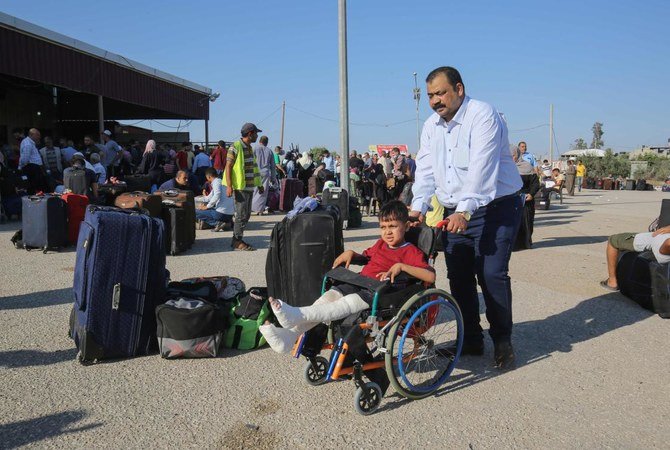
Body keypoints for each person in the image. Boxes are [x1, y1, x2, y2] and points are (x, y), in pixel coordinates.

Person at [410, 66, 522, 369]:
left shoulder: (482, 115)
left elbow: (481, 168)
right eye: (431, 95)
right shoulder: (432, 126)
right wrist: (417, 206)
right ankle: (471, 339)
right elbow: (426, 168)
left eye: (441, 93)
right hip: (455, 212)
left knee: (491, 274)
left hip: (495, 208)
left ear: (459, 89)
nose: (435, 100)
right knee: (458, 278)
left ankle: (502, 340)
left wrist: (464, 209)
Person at [259, 201, 436, 353]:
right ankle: (289, 336)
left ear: (405, 226)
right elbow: (366, 257)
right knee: (330, 295)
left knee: (345, 303)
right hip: (361, 282)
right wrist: (352, 253)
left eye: (393, 226)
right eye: (383, 227)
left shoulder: (410, 251)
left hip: (381, 293)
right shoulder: (381, 244)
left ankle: (298, 314)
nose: (387, 232)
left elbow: (430, 275)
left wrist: (402, 266)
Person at [223, 123, 264, 251]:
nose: (257, 136)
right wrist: (229, 186)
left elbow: (254, 168)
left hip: (249, 187)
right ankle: (237, 241)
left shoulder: (249, 148)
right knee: (241, 215)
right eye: (256, 133)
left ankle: (237, 239)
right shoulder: (235, 146)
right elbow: (228, 166)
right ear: (250, 133)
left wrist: (259, 184)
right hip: (240, 187)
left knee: (246, 215)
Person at [601, 226, 670, 291]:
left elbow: (668, 243)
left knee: (613, 240)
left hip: (661, 243)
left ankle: (612, 282)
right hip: (662, 242)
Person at [512, 147, 540, 250]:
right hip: (511, 200)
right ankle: (513, 244)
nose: (512, 158)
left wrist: (531, 194)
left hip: (526, 200)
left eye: (513, 156)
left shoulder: (527, 167)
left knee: (526, 222)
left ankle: (526, 243)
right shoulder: (506, 167)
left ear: (518, 155)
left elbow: (535, 184)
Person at [196, 167, 234, 232]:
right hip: (230, 214)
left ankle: (217, 224)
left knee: (195, 212)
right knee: (209, 209)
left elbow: (217, 195)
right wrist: (195, 199)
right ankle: (227, 223)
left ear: (209, 177)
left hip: (221, 214)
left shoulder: (216, 182)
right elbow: (208, 198)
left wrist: (206, 207)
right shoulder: (221, 181)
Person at [252, 136, 277, 214]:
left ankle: (252, 208)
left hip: (255, 172)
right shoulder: (269, 151)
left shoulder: (254, 149)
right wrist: (273, 178)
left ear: (260, 141)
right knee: (263, 192)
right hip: (265, 174)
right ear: (267, 142)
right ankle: (260, 210)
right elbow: (273, 166)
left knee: (254, 190)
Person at [19, 128, 46, 193]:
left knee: (36, 188)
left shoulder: (30, 143)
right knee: (33, 189)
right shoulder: (27, 144)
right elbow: (24, 159)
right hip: (32, 170)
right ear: (31, 135)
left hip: (34, 169)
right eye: (37, 135)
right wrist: (26, 168)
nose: (39, 137)